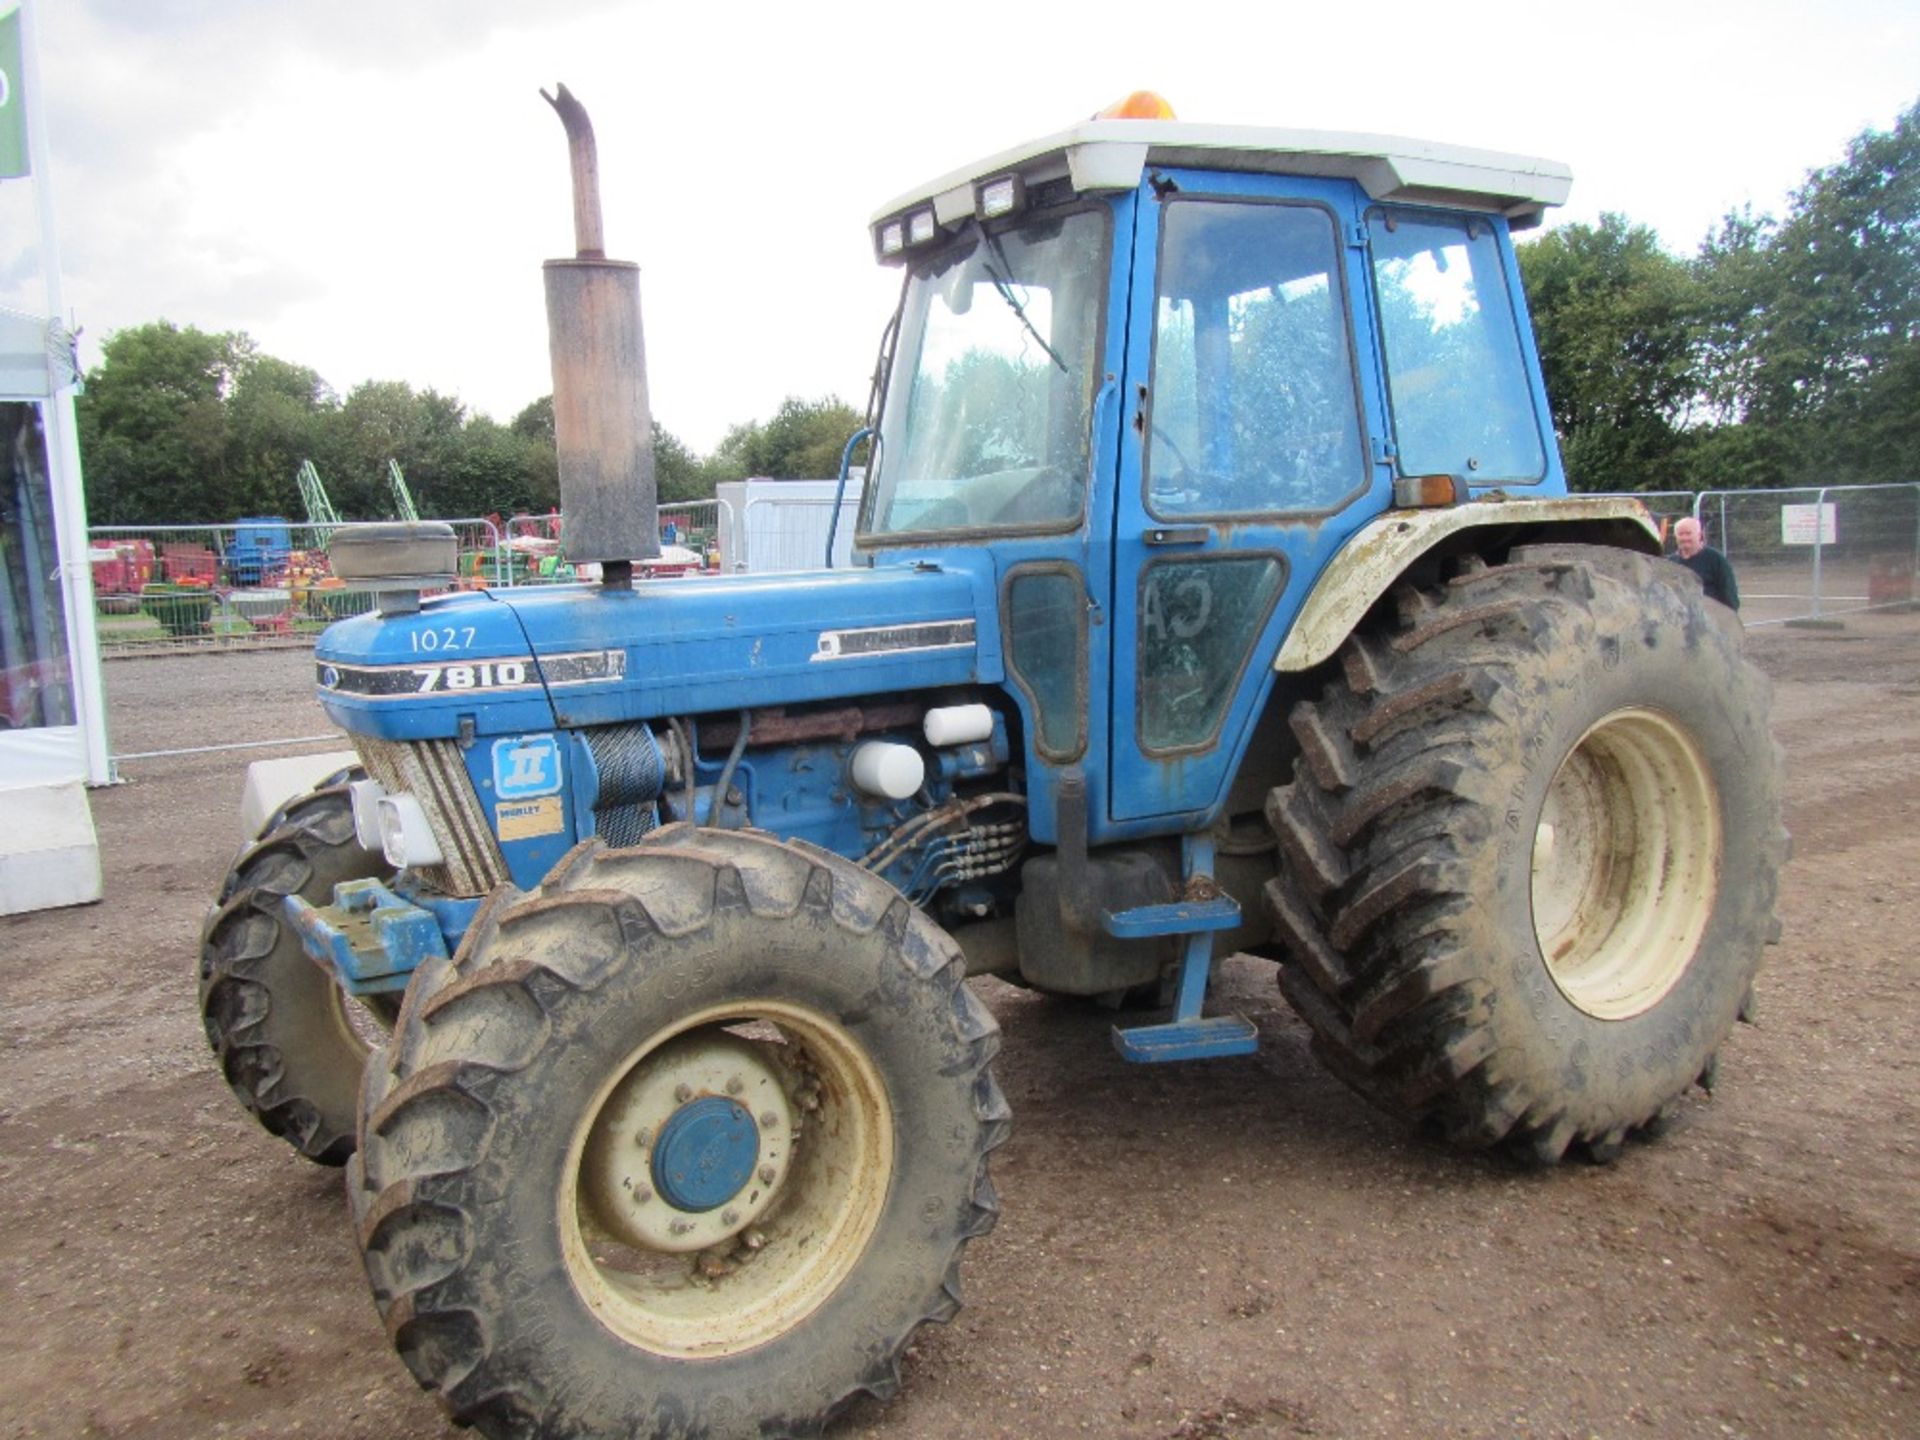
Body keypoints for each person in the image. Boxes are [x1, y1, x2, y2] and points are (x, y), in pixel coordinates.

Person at [1673, 517, 1740, 611]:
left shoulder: (1715, 559)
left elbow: (1730, 595)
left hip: (1710, 618)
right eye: (1680, 534)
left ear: (1699, 535)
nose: (1684, 538)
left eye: (1688, 533)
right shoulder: (1670, 563)